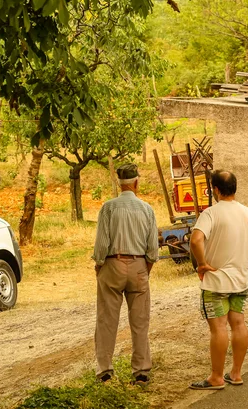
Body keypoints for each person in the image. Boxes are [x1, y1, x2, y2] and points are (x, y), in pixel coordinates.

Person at [189, 170, 248, 390]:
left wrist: (201, 263)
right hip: (241, 280)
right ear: (234, 188)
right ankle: (236, 373)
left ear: (215, 190)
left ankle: (216, 378)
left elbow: (196, 240)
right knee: (239, 324)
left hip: (216, 281)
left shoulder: (210, 213)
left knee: (218, 328)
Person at [92, 163, 158, 386]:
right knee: (140, 321)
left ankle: (105, 372)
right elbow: (152, 250)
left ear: (119, 184)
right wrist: (144, 269)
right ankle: (140, 372)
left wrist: (99, 266)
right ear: (137, 182)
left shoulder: (108, 208)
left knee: (106, 320)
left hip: (112, 263)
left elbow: (101, 244)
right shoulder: (147, 209)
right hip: (139, 265)